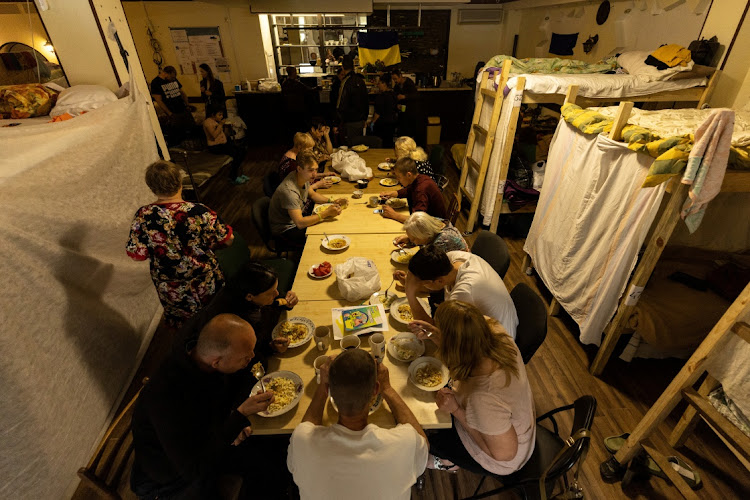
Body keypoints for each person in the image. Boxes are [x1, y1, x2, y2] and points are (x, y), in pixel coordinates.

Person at [131, 314, 292, 500]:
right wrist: (237, 418)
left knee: (276, 451)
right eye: (245, 358)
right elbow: (194, 467)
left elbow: (217, 405)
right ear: (216, 361)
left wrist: (232, 422)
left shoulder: (200, 357)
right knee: (266, 468)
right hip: (172, 479)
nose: (251, 358)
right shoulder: (168, 396)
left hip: (205, 440)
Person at [410, 301, 535, 476]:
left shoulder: (484, 396)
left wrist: (455, 409)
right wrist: (434, 334)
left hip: (504, 458)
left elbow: (504, 454)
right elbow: (464, 343)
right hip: (511, 424)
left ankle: (447, 462)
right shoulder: (494, 331)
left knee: (421, 435)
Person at [287, 349, 429, 500]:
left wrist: (322, 386)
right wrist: (387, 388)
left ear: (330, 391)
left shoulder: (301, 441)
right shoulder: (404, 442)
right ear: (375, 389)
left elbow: (306, 428)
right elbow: (423, 444)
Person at [126, 160, 234, 328]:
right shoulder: (199, 211)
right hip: (205, 280)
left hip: (171, 287)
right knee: (216, 321)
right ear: (180, 181)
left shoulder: (143, 215)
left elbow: (137, 254)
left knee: (185, 329)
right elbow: (227, 239)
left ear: (151, 187)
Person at [179, 262, 299, 369]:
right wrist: (271, 348)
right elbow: (247, 353)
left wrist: (288, 302)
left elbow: (274, 300)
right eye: (271, 293)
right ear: (249, 296)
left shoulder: (248, 292)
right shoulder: (235, 320)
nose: (277, 294)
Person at [399, 246, 518, 339]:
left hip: (497, 341)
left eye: (424, 283)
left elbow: (435, 331)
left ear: (439, 280)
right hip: (485, 322)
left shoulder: (464, 293)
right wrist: (413, 283)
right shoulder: (453, 258)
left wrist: (410, 293)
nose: (422, 286)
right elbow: (436, 285)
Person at [269, 150, 347, 249]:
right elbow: (300, 223)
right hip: (286, 231)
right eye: (310, 170)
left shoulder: (301, 177)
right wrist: (326, 213)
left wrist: (333, 201)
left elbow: (313, 195)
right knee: (326, 232)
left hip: (297, 220)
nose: (314, 174)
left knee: (330, 224)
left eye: (316, 169)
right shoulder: (289, 191)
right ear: (299, 168)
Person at [379, 157, 447, 223]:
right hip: (429, 219)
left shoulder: (421, 190)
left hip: (437, 224)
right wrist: (393, 193)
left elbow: (417, 220)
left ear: (409, 175)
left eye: (399, 177)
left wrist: (394, 215)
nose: (398, 180)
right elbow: (410, 190)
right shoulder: (420, 178)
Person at [151, 66, 195, 146]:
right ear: (166, 74)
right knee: (177, 133)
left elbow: (181, 92)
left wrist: (187, 105)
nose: (173, 79)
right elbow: (159, 100)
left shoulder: (173, 79)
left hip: (182, 108)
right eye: (172, 77)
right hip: (172, 111)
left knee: (191, 128)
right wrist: (169, 113)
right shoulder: (156, 83)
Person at [202, 105, 246, 184]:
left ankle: (238, 174)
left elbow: (224, 135)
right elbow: (214, 135)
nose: (221, 116)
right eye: (219, 115)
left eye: (222, 114)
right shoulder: (207, 122)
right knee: (236, 154)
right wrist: (221, 125)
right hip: (215, 147)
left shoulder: (217, 122)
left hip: (223, 144)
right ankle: (233, 177)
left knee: (242, 150)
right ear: (213, 114)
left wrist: (227, 127)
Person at [393, 211, 468, 253]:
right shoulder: (433, 222)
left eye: (415, 239)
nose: (414, 242)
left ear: (425, 235)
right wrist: (409, 239)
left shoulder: (441, 242)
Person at [336, 56, 369, 145]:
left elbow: (340, 104)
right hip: (360, 121)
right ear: (353, 66)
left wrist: (338, 121)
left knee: (350, 147)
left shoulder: (345, 82)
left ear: (342, 67)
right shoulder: (360, 81)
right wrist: (365, 118)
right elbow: (366, 100)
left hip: (349, 122)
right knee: (359, 145)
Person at [282, 66, 316, 134]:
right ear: (293, 72)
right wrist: (317, 88)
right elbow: (309, 90)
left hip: (289, 108)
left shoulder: (284, 83)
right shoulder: (297, 84)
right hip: (299, 108)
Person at [367, 73, 398, 148]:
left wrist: (372, 122)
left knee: (381, 144)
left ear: (384, 83)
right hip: (392, 123)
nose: (378, 85)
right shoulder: (393, 94)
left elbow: (378, 113)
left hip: (382, 125)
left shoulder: (381, 97)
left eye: (380, 83)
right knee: (389, 143)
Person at [392, 68, 419, 139]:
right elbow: (394, 97)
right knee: (402, 131)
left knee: (409, 131)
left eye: (395, 79)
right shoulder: (396, 86)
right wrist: (397, 105)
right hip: (402, 112)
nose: (395, 81)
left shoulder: (409, 83)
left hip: (410, 111)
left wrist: (405, 96)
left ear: (400, 76)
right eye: (393, 79)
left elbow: (415, 95)